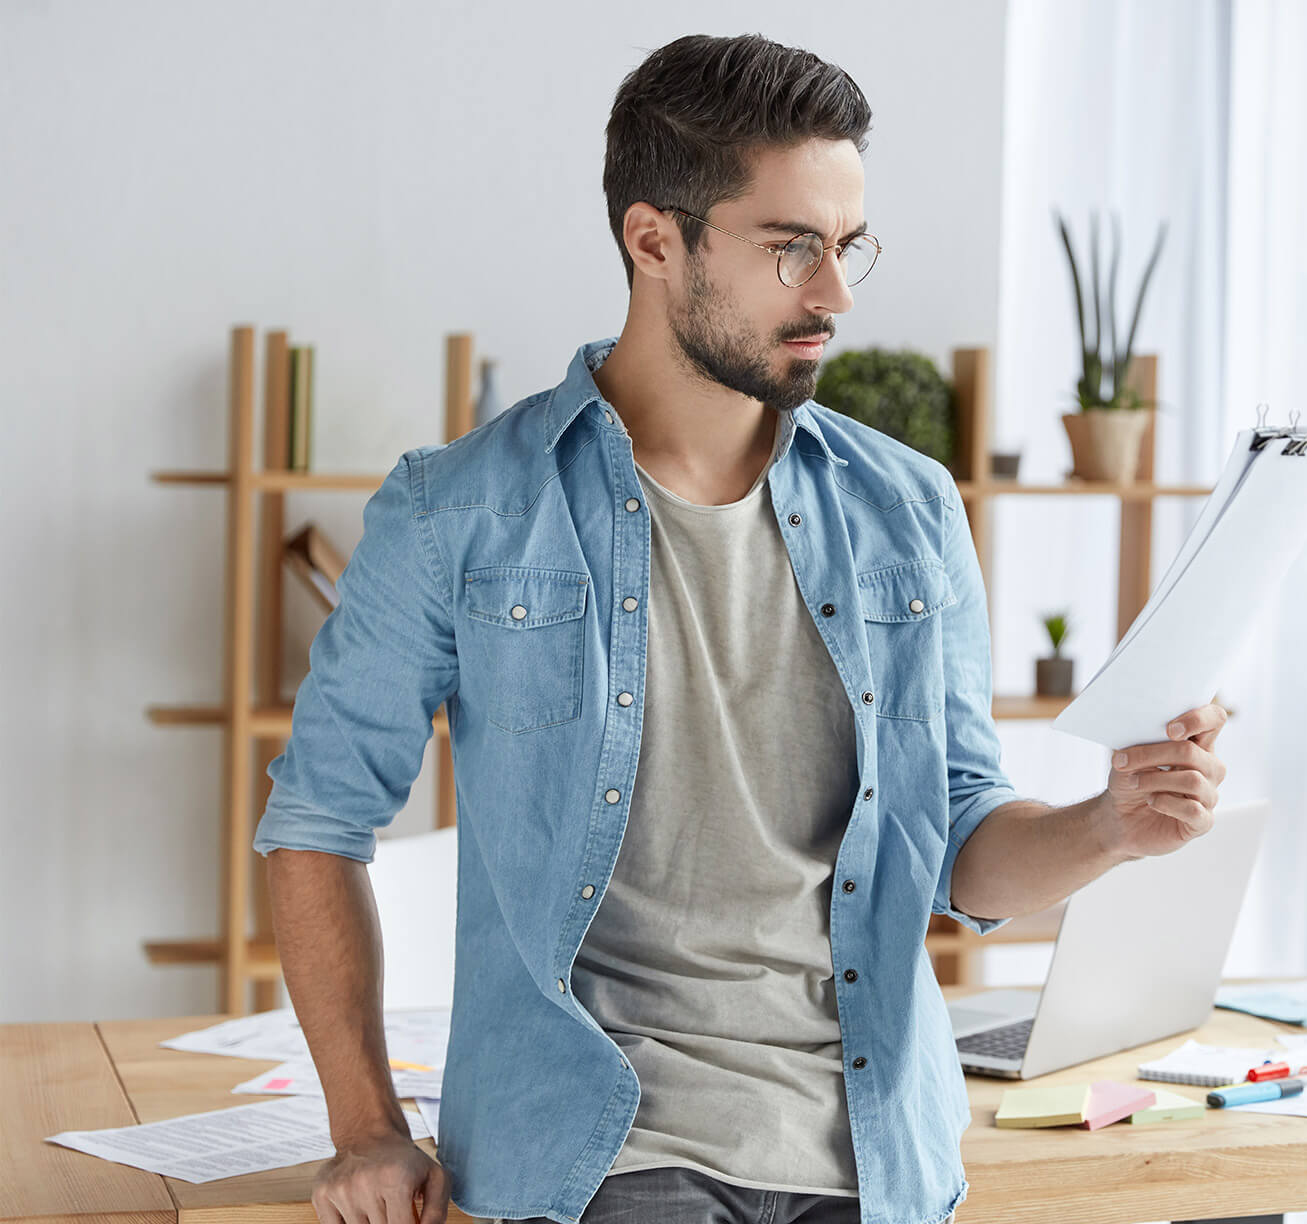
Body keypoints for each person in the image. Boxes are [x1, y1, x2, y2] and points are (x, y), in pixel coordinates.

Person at [253, 31, 1229, 1224]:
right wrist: (363, 1128)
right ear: (653, 241)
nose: (834, 295)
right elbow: (315, 821)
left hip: (878, 1160)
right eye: (789, 250)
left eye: (844, 245)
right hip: (606, 1162)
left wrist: (1110, 825)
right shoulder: (459, 509)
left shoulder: (908, 508)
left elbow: (961, 848)